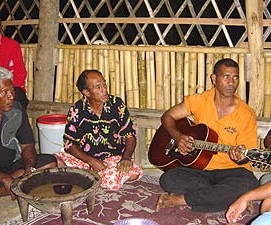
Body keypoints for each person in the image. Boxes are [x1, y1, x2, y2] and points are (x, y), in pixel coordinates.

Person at [155, 58, 259, 213]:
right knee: (168, 179)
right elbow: (167, 117)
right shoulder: (200, 100)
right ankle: (233, 198)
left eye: (235, 77)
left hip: (231, 172)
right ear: (214, 79)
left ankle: (180, 200)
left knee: (249, 183)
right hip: (199, 170)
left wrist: (240, 156)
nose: (231, 82)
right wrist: (177, 137)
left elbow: (247, 155)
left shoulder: (246, 114)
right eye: (226, 77)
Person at [0, 66, 57, 216]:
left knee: (50, 162)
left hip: (13, 166)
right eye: (4, 92)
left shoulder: (16, 109)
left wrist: (29, 170)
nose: (11, 96)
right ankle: (19, 186)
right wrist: (4, 178)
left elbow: (27, 145)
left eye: (11, 90)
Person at [54, 69, 143, 190]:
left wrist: (126, 158)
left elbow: (130, 135)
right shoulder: (77, 110)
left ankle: (87, 178)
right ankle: (93, 177)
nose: (104, 90)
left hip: (112, 160)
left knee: (135, 172)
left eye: (104, 84)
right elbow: (69, 144)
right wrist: (91, 161)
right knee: (56, 161)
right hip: (85, 159)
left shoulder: (117, 104)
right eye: (98, 87)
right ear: (86, 92)